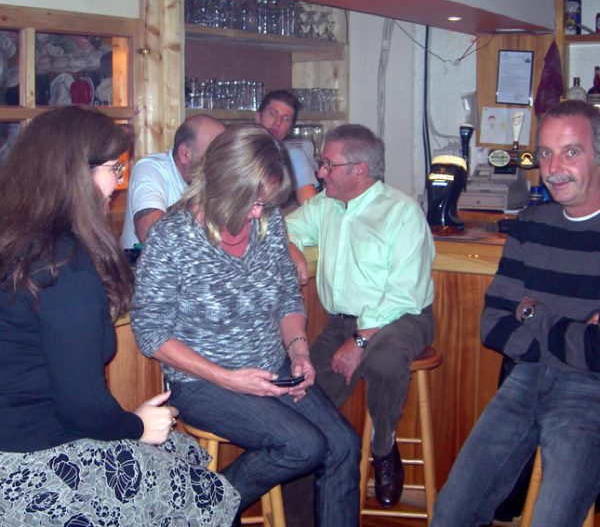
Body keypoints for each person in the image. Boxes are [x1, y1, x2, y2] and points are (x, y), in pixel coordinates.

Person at [0, 106, 239, 525]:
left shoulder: (16, 241)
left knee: (184, 455)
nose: (119, 183)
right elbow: (80, 406)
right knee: (211, 493)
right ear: (77, 175)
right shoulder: (63, 264)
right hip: (35, 463)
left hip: (15, 441)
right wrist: (135, 426)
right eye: (114, 169)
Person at [131, 124, 361, 526]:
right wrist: (228, 378)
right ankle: (200, 508)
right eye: (253, 202)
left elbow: (287, 297)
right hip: (202, 382)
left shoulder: (267, 224)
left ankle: (202, 508)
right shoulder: (172, 237)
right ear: (223, 183)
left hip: (272, 366)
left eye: (265, 203)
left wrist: (299, 351)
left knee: (343, 445)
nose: (259, 213)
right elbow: (150, 332)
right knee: (303, 446)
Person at [432, 99, 600, 527]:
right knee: (451, 512)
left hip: (590, 393)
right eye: (545, 153)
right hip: (525, 378)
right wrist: (575, 332)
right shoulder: (531, 223)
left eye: (571, 152)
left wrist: (533, 315)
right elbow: (493, 325)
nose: (554, 168)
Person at [286, 124, 436, 509]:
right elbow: (281, 227)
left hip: (402, 317)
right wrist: (292, 247)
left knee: (384, 359)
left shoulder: (401, 212)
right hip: (340, 323)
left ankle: (383, 446)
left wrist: (360, 341)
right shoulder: (326, 205)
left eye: (328, 164)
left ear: (360, 170)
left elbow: (403, 292)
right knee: (301, 397)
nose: (320, 172)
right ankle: (299, 513)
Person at [121, 113, 224, 248]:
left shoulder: (222, 177)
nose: (222, 160)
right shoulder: (150, 169)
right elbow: (151, 235)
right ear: (184, 154)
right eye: (213, 152)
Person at [256, 89, 319, 204]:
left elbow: (310, 207)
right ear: (258, 117)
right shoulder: (239, 151)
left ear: (290, 129)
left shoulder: (294, 156)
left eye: (286, 119)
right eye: (272, 114)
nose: (277, 123)